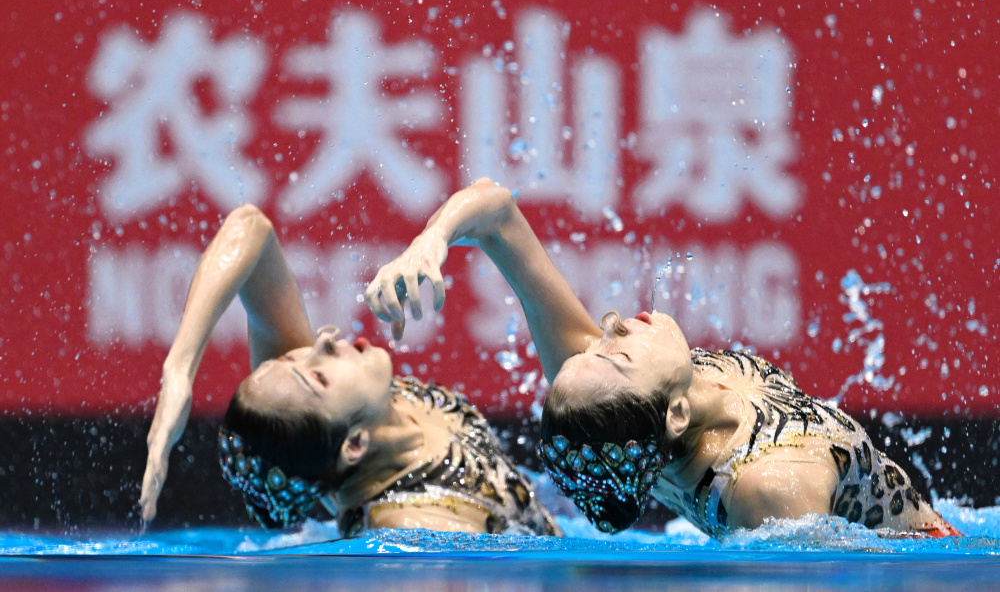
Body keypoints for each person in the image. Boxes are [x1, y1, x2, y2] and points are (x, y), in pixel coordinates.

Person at [366, 177, 961, 539]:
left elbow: (496, 212)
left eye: (601, 343)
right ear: (674, 415)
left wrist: (430, 242)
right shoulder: (768, 485)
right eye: (618, 354)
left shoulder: (612, 400)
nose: (612, 325)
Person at [139, 204, 561, 538]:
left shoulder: (341, 420)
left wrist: (179, 369)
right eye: (318, 377)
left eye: (291, 357)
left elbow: (250, 228)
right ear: (355, 444)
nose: (319, 342)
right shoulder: (413, 529)